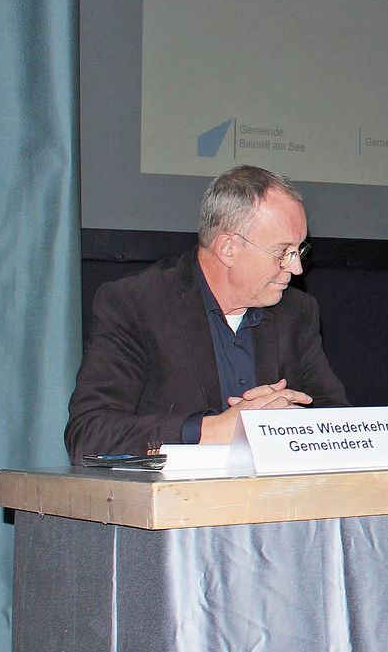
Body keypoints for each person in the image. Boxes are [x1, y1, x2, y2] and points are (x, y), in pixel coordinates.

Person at [65, 165, 348, 461]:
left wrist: (287, 426)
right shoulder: (136, 304)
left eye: (299, 250)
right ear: (228, 248)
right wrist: (211, 430)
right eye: (283, 252)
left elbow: (338, 418)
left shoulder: (297, 312)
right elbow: (89, 434)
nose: (296, 267)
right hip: (176, 502)